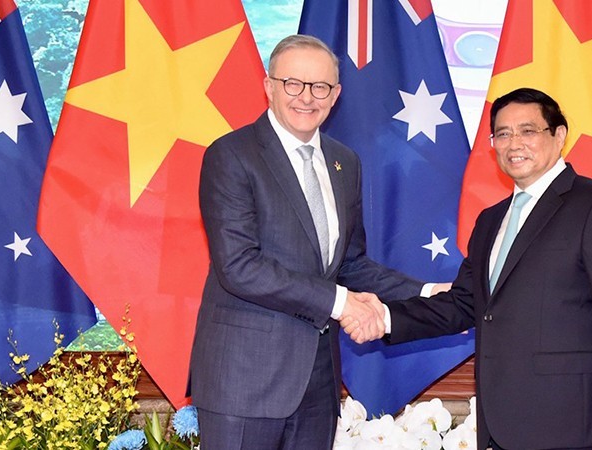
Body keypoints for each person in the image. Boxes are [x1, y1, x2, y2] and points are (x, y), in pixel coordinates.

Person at [344, 88, 592, 450]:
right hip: (499, 422)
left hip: (572, 421)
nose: (514, 142)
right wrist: (385, 318)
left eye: (528, 131)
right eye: (502, 133)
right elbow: (464, 305)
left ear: (560, 135)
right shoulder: (490, 221)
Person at [188, 34, 442, 449]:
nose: (307, 97)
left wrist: (429, 293)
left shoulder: (345, 163)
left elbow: (351, 264)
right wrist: (342, 304)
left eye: (320, 87)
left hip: (318, 384)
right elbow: (239, 267)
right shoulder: (231, 155)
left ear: (336, 94)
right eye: (293, 83)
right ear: (269, 86)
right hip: (244, 380)